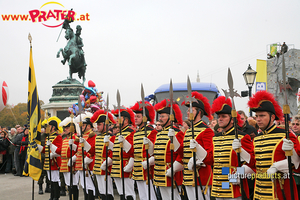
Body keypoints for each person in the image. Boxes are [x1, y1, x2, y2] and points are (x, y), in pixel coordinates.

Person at [248, 91, 300, 200]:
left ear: (272, 117)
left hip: (279, 192)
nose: (258, 119)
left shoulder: (286, 135)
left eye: (262, 116)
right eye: (256, 116)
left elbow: (297, 165)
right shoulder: (256, 139)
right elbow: (254, 165)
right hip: (259, 192)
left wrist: (277, 166)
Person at [210, 96, 254, 200]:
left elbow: (252, 163)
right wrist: (197, 150)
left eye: (223, 116)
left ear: (232, 119)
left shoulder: (243, 137)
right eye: (219, 116)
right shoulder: (215, 138)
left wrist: (239, 174)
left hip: (234, 186)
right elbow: (210, 160)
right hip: (217, 185)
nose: (220, 119)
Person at [177, 91, 215, 200]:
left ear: (199, 112)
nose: (188, 113)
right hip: (188, 175)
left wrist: (197, 160)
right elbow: (183, 153)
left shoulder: (206, 131)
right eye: (188, 110)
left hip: (200, 176)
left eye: (191, 110)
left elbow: (210, 155)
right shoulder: (188, 131)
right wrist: (174, 141)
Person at [150, 99, 184, 200]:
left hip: (171, 172)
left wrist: (174, 168)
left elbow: (182, 153)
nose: (160, 118)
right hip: (159, 172)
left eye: (163, 116)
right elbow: (156, 153)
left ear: (170, 118)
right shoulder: (159, 134)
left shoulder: (178, 133)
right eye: (160, 116)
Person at [130, 101, 157, 200]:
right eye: (135, 116)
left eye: (138, 116)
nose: (135, 118)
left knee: (151, 196)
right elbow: (133, 152)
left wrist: (149, 162)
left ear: (145, 118)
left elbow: (156, 152)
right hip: (137, 169)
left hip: (148, 170)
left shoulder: (152, 132)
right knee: (142, 196)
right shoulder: (136, 133)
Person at [89, 109, 116, 200]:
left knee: (108, 192)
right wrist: (85, 144)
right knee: (101, 191)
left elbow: (114, 153)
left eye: (99, 124)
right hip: (97, 167)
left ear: (106, 125)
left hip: (106, 168)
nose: (97, 126)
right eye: (97, 124)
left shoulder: (112, 137)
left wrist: (107, 162)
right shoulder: (97, 137)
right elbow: (92, 151)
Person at [110, 107, 136, 200]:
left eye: (119, 118)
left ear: (126, 120)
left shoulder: (131, 132)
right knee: (121, 193)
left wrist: (130, 165)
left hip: (126, 164)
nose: (116, 120)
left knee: (129, 193)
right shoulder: (118, 134)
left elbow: (133, 151)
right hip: (116, 165)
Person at [38, 116, 63, 200]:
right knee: (51, 180)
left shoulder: (58, 136)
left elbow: (59, 150)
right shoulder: (47, 137)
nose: (47, 128)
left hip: (54, 161)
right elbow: (45, 149)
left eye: (48, 126)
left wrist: (51, 155)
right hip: (48, 161)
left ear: (53, 127)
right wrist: (38, 147)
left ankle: (56, 196)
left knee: (55, 179)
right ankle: (52, 196)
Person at [74, 112, 97, 200]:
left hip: (88, 164)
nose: (82, 127)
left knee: (90, 186)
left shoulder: (92, 135)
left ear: (89, 126)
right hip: (80, 163)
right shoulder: (83, 135)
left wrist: (87, 160)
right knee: (84, 186)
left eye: (84, 125)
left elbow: (92, 150)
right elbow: (79, 150)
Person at [59, 116, 80, 200]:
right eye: (65, 128)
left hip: (73, 164)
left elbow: (79, 152)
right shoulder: (65, 139)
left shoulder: (76, 138)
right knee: (68, 185)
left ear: (72, 128)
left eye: (67, 128)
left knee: (74, 185)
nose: (65, 129)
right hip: (64, 164)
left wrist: (72, 159)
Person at [37, 127, 51, 194]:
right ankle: (40, 187)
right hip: (42, 158)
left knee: (48, 173)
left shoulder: (51, 136)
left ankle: (48, 186)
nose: (46, 130)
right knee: (41, 173)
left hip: (49, 157)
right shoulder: (40, 137)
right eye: (45, 129)